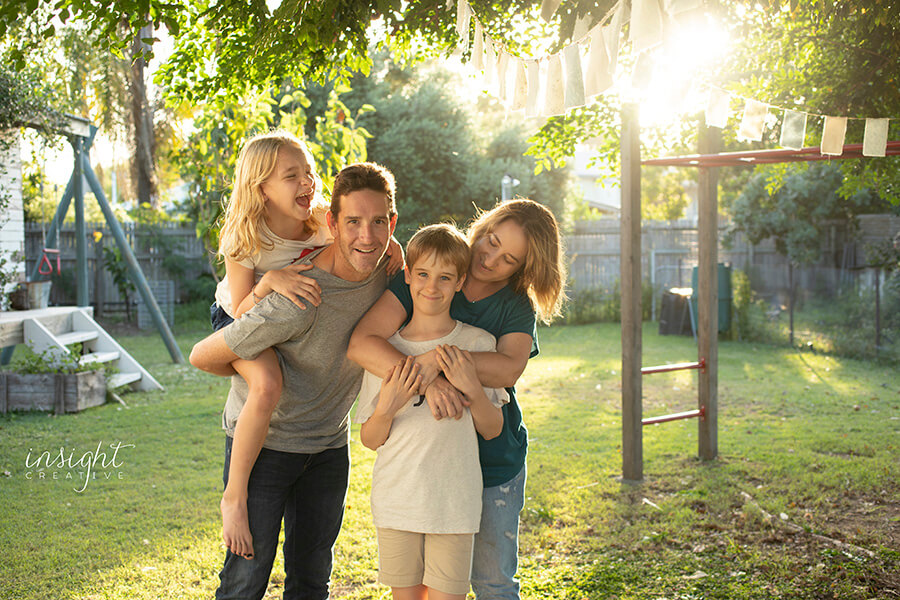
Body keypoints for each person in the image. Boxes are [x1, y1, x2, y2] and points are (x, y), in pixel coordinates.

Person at [190, 161, 398, 600]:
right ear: (333, 223)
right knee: (245, 582)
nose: (367, 236)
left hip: (327, 448)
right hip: (266, 448)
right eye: (354, 223)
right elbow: (203, 355)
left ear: (392, 223)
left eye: (378, 222)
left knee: (311, 581)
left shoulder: (390, 274)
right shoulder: (297, 295)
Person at [348, 199, 567, 600]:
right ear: (483, 226)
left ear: (523, 268)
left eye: (509, 259)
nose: (491, 257)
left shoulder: (516, 304)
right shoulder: (437, 266)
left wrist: (436, 361)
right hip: (420, 470)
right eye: (492, 241)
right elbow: (363, 343)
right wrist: (426, 382)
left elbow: (507, 370)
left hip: (493, 457)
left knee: (492, 581)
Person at [354, 224, 509, 600]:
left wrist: (471, 386)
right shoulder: (385, 350)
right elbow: (370, 440)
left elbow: (492, 429)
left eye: (444, 278)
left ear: (459, 283)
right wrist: (387, 408)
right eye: (422, 274)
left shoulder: (476, 343)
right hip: (397, 502)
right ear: (407, 276)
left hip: (454, 505)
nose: (431, 287)